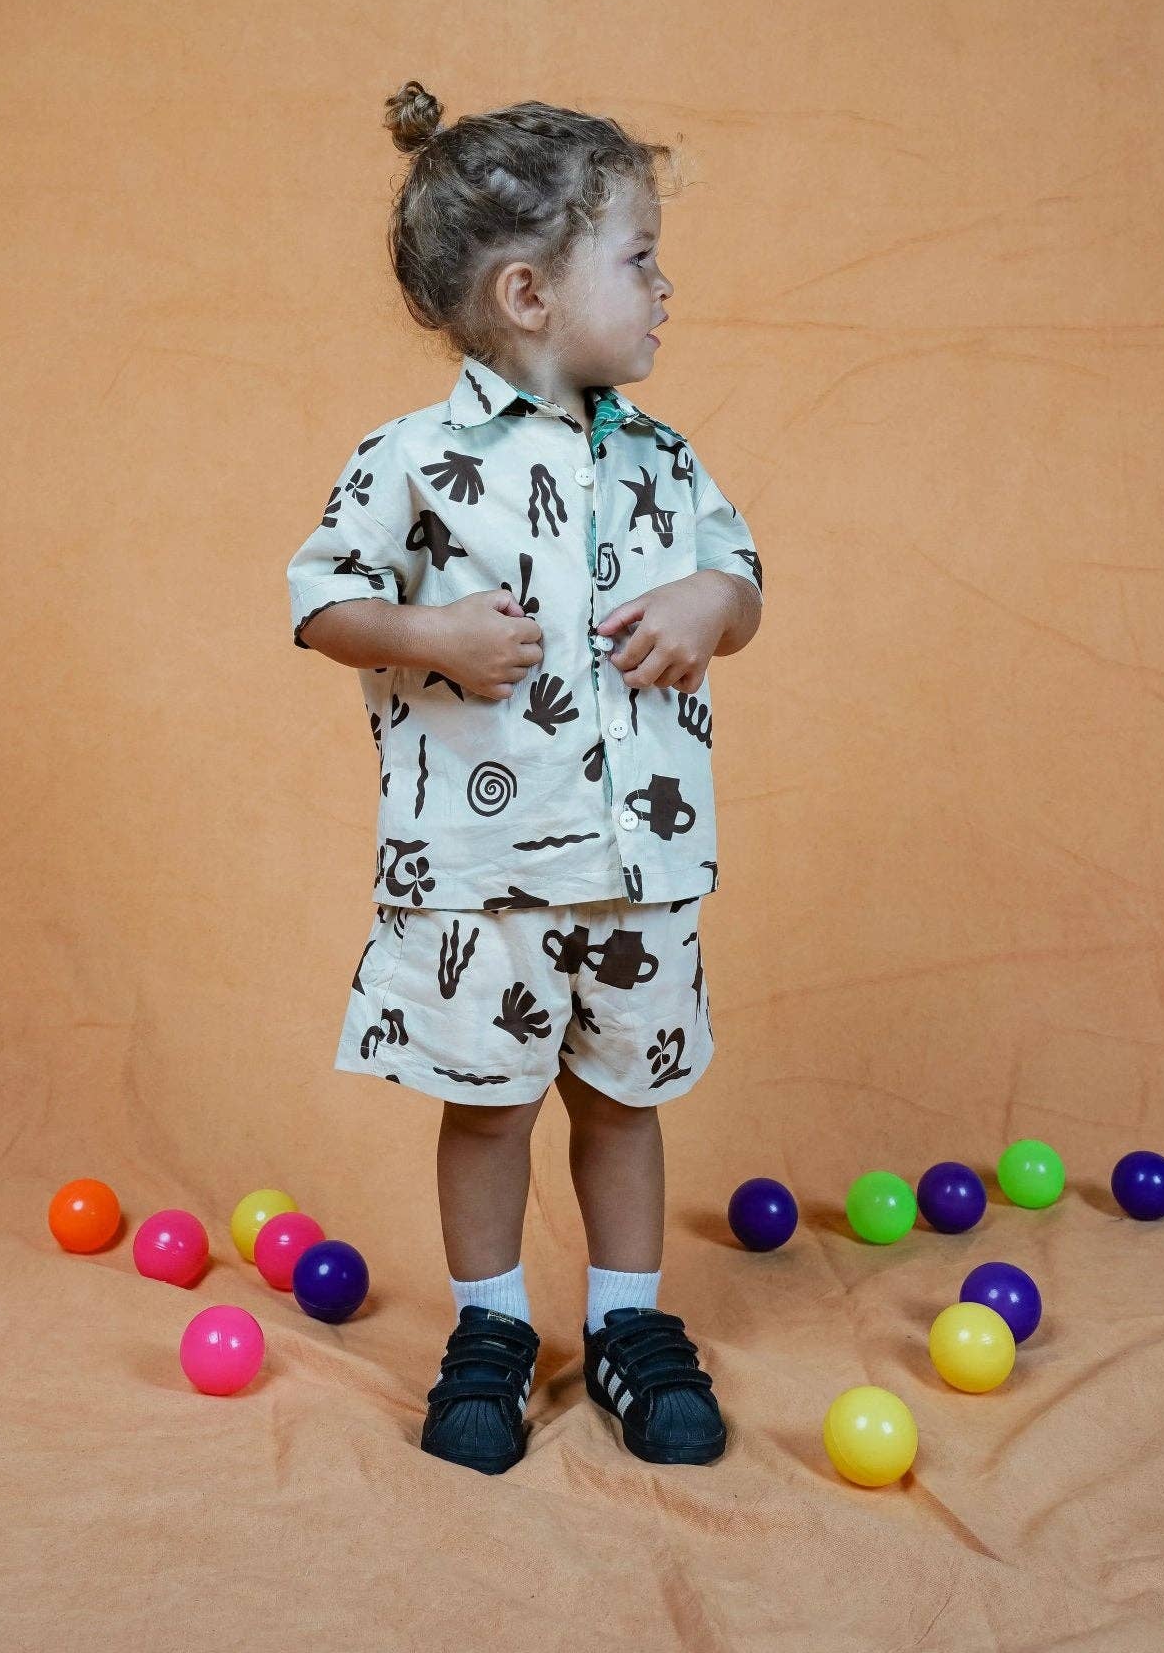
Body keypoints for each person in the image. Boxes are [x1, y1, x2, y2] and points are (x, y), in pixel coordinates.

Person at [286, 81, 764, 1476]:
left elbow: (740, 578)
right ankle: (490, 1326)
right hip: (479, 875)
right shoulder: (412, 462)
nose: (666, 290)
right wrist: (427, 634)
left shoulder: (666, 460)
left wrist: (710, 604)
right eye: (640, 259)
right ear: (528, 293)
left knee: (624, 1100)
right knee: (490, 1106)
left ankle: (626, 1324)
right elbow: (321, 601)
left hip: (638, 870)